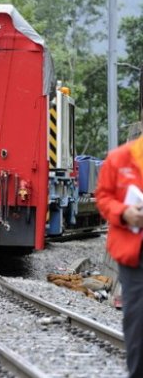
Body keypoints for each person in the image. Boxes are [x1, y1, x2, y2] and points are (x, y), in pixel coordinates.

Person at [95, 132, 143, 378]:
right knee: (137, 321)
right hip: (134, 255)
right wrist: (124, 213)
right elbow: (103, 198)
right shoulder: (119, 159)